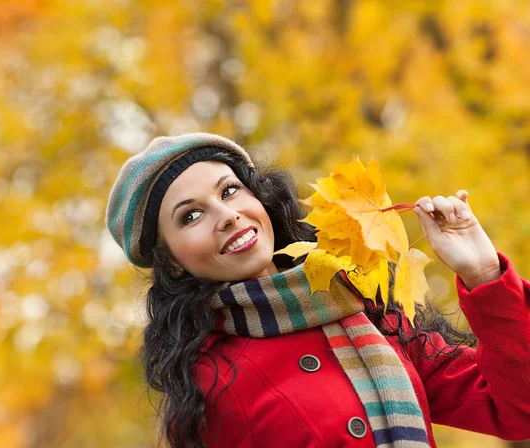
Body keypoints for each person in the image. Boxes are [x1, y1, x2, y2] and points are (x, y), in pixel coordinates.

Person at [106, 133, 530, 448]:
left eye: (230, 190)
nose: (228, 215)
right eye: (191, 215)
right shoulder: (209, 385)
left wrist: (485, 274)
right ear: (172, 260)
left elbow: (518, 410)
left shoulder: (363, 302)